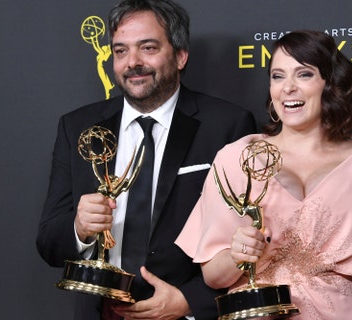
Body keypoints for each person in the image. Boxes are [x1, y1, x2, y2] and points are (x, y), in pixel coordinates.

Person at [36, 0, 256, 319]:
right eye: (121, 51)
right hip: (101, 312)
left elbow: (247, 240)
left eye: (148, 47)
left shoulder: (227, 125)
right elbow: (49, 243)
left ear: (180, 55)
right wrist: (79, 227)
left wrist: (191, 300)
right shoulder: (78, 128)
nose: (132, 63)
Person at [175, 30, 352, 319]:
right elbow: (214, 276)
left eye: (303, 74)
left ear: (330, 83)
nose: (287, 88)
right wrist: (238, 255)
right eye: (278, 76)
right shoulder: (236, 158)